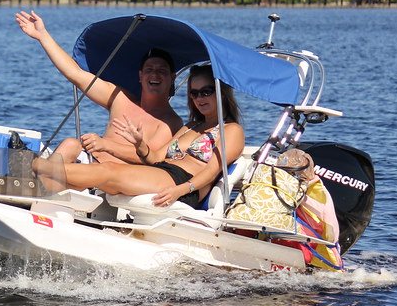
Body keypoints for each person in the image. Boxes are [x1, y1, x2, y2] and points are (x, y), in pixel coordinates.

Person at [33, 65, 245, 208]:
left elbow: (211, 171)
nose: (199, 98)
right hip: (162, 171)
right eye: (194, 93)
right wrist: (139, 143)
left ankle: (33, 165)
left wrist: (179, 190)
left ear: (221, 92)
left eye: (206, 91)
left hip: (183, 183)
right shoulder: (191, 126)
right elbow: (156, 158)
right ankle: (39, 191)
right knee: (96, 181)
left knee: (109, 172)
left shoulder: (231, 130)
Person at [15, 10, 183, 164]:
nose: (154, 75)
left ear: (172, 78)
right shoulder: (120, 98)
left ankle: (40, 174)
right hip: (90, 162)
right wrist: (42, 36)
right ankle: (38, 180)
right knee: (71, 144)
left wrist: (106, 145)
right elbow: (75, 74)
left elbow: (151, 157)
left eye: (161, 71)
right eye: (149, 70)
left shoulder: (171, 121)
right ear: (140, 76)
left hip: (117, 177)